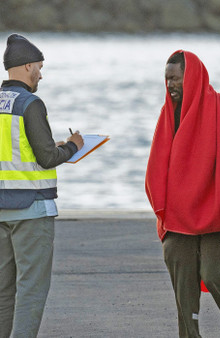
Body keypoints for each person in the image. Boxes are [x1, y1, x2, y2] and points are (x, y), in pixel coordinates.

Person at [145, 50, 220, 338]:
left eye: (176, 79)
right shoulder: (168, 112)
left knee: (215, 276)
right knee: (183, 283)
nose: (170, 85)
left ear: (191, 77)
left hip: (216, 213)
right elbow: (157, 165)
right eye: (166, 79)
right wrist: (163, 212)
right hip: (178, 216)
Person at [0, 33, 84, 338]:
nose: (40, 73)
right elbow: (47, 157)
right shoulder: (30, 103)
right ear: (25, 67)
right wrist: (73, 146)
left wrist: (51, 146)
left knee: (3, 293)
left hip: (1, 211)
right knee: (31, 291)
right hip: (31, 210)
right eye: (38, 66)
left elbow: (16, 151)